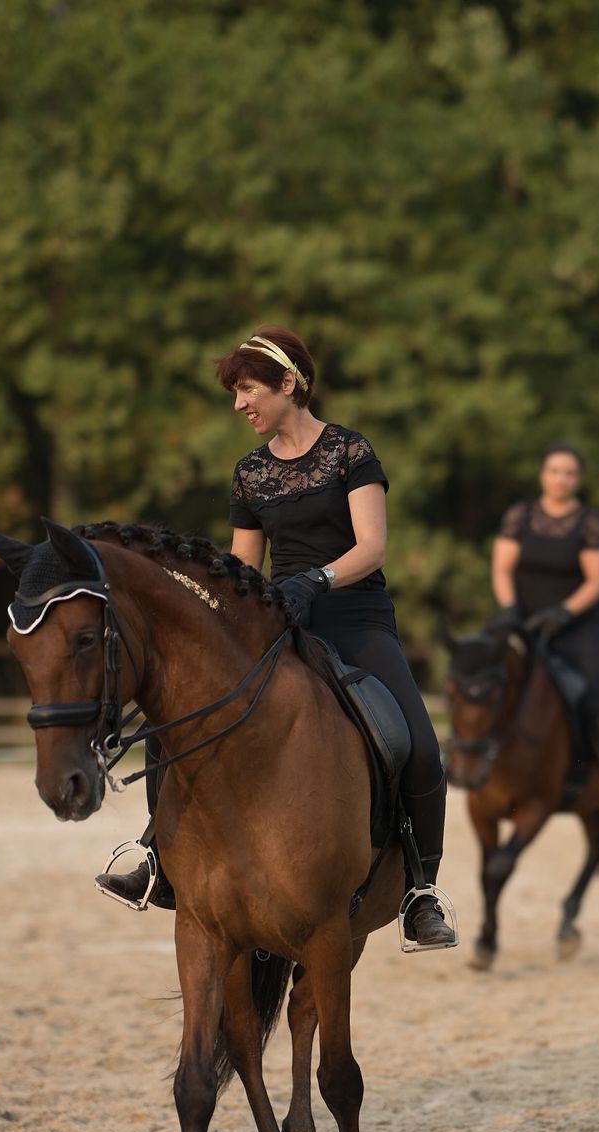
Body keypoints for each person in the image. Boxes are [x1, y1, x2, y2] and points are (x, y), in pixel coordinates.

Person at [96, 327, 456, 949]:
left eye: (248, 388)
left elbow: (371, 546)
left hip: (355, 616)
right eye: (235, 392)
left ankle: (421, 889)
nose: (239, 404)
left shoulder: (350, 451)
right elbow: (243, 563)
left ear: (289, 384)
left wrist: (317, 580)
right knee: (177, 720)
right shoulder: (250, 474)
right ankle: (158, 856)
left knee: (419, 744)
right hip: (278, 618)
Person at [489, 444, 599, 811]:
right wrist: (509, 609)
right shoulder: (519, 515)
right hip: (522, 619)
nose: (561, 479)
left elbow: (597, 580)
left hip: (574, 624)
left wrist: (562, 613)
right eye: (555, 471)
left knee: (595, 687)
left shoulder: (588, 522)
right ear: (542, 475)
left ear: (578, 479)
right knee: (481, 668)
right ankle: (464, 751)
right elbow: (502, 569)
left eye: (569, 472)